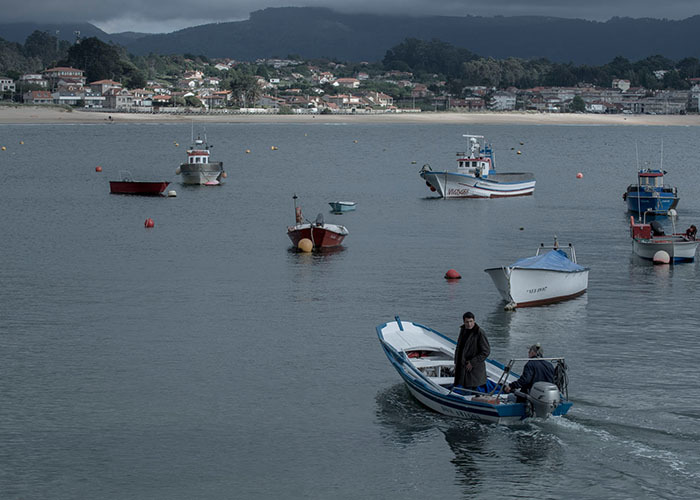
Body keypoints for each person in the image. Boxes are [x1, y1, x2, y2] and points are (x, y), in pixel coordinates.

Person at [454, 312, 491, 393]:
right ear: (464, 322)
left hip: (474, 369)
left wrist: (472, 362)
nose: (469, 324)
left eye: (471, 321)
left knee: (473, 389)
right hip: (463, 367)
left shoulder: (479, 332)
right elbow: (459, 347)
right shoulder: (463, 330)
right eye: (467, 322)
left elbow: (486, 351)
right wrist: (456, 362)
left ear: (474, 321)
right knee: (465, 388)